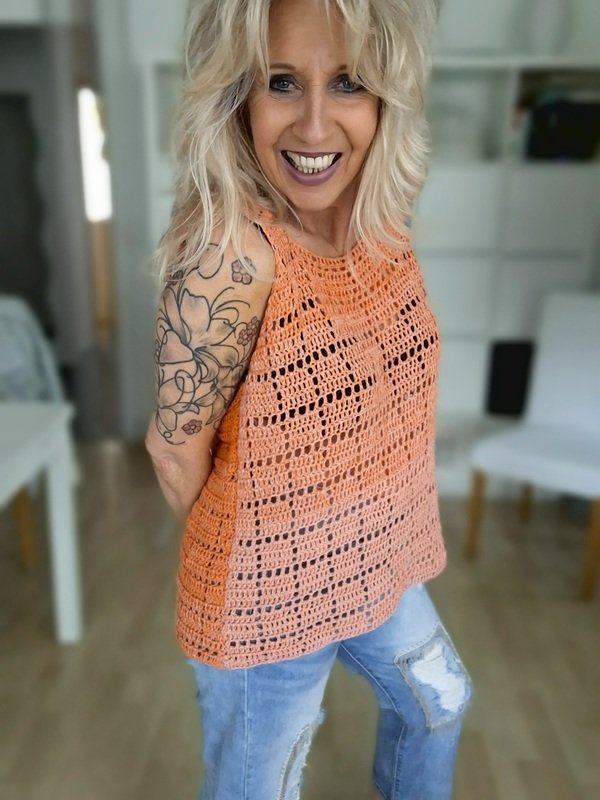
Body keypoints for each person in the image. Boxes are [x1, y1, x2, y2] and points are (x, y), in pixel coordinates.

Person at [145, 0, 472, 797]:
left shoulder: (376, 223)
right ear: (239, 96)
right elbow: (174, 452)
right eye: (282, 82)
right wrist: (273, 552)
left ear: (385, 95)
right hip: (267, 596)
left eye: (349, 82)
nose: (316, 124)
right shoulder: (233, 256)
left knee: (440, 702)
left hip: (378, 559)